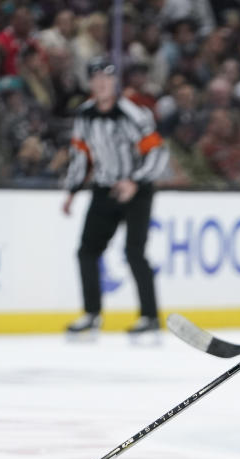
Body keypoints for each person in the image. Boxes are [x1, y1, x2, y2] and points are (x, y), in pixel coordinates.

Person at [63, 58, 168, 337]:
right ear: (89, 83)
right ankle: (91, 313)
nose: (101, 83)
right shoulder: (85, 115)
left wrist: (135, 181)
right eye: (95, 77)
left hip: (137, 190)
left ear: (115, 82)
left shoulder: (132, 113)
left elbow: (157, 152)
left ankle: (149, 316)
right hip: (104, 188)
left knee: (134, 252)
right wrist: (72, 191)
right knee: (87, 251)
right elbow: (80, 155)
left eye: (106, 77)